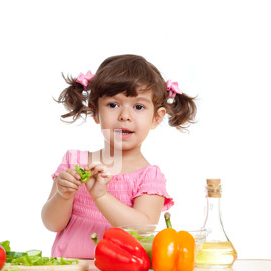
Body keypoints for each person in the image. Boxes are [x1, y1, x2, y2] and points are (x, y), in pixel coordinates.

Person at [41, 54, 197, 259]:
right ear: (95, 112)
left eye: (138, 107)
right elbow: (52, 224)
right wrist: (63, 194)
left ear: (156, 118)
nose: (125, 115)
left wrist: (101, 196)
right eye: (113, 105)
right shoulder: (75, 162)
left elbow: (143, 229)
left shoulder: (149, 177)